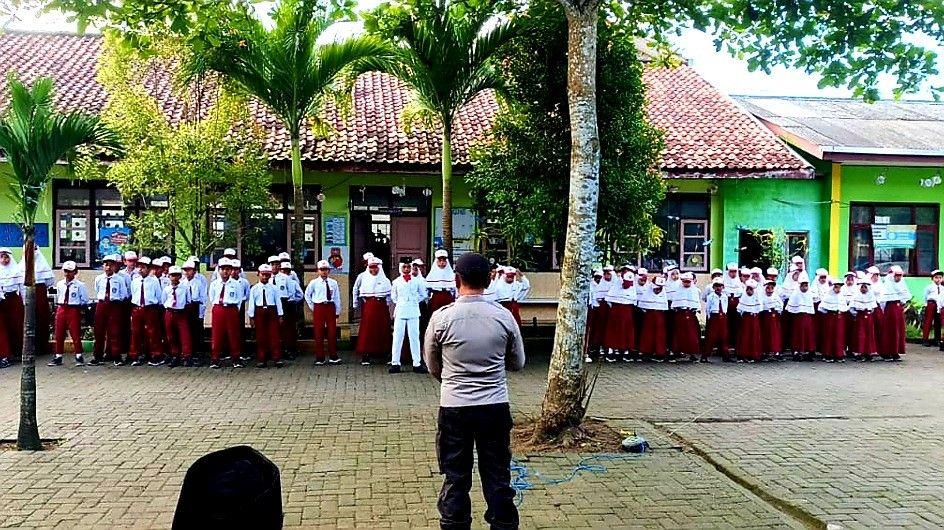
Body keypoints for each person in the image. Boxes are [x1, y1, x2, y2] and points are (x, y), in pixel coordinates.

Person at [423, 252, 524, 530]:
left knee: (456, 476)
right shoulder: (503, 317)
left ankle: (455, 524)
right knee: (497, 475)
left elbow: (432, 366)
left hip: (454, 407)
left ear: (457, 279)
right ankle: (503, 524)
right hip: (494, 406)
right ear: (489, 281)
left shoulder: (441, 318)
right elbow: (518, 363)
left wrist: (453, 379)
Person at [48, 261, 88, 366]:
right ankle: (58, 356)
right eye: (66, 271)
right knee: (59, 333)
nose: (67, 274)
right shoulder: (60, 284)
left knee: (75, 333)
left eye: (70, 271)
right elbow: (59, 296)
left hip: (73, 308)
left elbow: (84, 299)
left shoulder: (80, 285)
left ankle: (79, 355)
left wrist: (79, 308)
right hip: (62, 307)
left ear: (75, 272)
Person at [390, 261, 428, 374]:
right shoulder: (396, 282)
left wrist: (414, 301)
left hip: (413, 311)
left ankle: (417, 363)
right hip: (401, 311)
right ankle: (395, 363)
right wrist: (402, 302)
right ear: (401, 268)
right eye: (404, 267)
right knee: (397, 337)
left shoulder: (417, 281)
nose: (406, 269)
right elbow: (393, 297)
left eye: (408, 267)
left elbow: (423, 294)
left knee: (414, 338)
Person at [354, 257, 392, 366]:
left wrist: (388, 305)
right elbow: (359, 291)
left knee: (383, 328)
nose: (373, 270)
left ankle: (384, 352)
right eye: (371, 268)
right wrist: (356, 303)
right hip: (369, 306)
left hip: (382, 306)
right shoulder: (364, 278)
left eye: (375, 268)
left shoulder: (385, 280)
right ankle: (366, 354)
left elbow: (389, 296)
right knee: (368, 329)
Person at [129, 257, 166, 367]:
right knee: (136, 332)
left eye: (143, 267)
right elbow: (133, 294)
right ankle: (136, 354)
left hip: (150, 308)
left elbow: (159, 296)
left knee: (152, 332)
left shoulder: (154, 281)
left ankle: (156, 354)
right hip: (137, 308)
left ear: (149, 269)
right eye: (139, 267)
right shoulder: (135, 281)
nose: (140, 269)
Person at [91, 254, 127, 366]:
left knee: (114, 331)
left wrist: (115, 301)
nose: (108, 267)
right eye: (106, 265)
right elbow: (97, 291)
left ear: (115, 266)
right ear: (103, 266)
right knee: (99, 331)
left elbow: (123, 294)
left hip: (114, 305)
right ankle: (97, 356)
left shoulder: (119, 279)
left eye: (111, 265)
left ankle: (116, 356)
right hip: (102, 304)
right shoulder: (99, 279)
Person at [208, 258, 244, 369]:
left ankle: (236, 358)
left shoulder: (236, 284)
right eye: (223, 269)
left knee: (233, 334)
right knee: (217, 335)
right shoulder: (214, 284)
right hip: (219, 309)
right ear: (219, 270)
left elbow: (239, 299)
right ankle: (215, 359)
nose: (225, 272)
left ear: (231, 271)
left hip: (231, 309)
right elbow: (211, 297)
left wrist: (234, 309)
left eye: (228, 269)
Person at [304, 260, 342, 366]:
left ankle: (333, 356)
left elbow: (337, 297)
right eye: (322, 270)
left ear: (329, 271)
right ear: (318, 271)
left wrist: (337, 310)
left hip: (330, 306)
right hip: (319, 307)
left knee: (332, 332)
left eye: (326, 270)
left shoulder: (333, 282)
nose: (324, 272)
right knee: (319, 332)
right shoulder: (314, 283)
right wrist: (313, 307)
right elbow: (307, 295)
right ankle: (320, 357)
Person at [248, 264, 283, 368]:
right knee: (260, 336)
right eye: (263, 275)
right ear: (258, 274)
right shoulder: (254, 288)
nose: (265, 277)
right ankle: (262, 359)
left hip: (271, 311)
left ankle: (276, 358)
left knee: (274, 335)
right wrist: (251, 317)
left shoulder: (274, 288)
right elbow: (251, 303)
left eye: (267, 275)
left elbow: (278, 301)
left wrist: (280, 315)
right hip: (259, 312)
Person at [603, 271, 636, 363]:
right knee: (614, 330)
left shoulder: (632, 288)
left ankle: (625, 350)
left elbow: (633, 300)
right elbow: (609, 300)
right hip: (616, 311)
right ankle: (611, 350)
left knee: (626, 331)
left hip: (627, 312)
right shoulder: (616, 286)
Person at [163, 266, 193, 367]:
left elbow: (188, 300)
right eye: (172, 275)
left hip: (181, 313)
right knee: (171, 335)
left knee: (184, 335)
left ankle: (187, 356)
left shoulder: (184, 288)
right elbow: (163, 301)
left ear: (180, 276)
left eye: (176, 275)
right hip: (170, 312)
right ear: (169, 276)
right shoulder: (167, 289)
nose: (174, 278)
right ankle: (175, 355)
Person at [879, 265, 910, 361]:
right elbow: (882, 301)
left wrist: (902, 304)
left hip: (898, 309)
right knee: (889, 330)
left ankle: (895, 351)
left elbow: (905, 298)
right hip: (889, 310)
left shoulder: (902, 284)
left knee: (898, 330)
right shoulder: (886, 285)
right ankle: (887, 352)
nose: (898, 278)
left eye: (900, 276)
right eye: (896, 275)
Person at [274, 261, 303, 360]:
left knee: (286, 328)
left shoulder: (286, 278)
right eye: (272, 264)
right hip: (272, 304)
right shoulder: (267, 278)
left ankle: (287, 350)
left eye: (276, 264)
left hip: (285, 303)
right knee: (274, 329)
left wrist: (290, 302)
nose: (274, 266)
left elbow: (292, 293)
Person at [0, 248, 24, 368]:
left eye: (6, 257)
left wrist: (24, 302)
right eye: (2, 257)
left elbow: (22, 288)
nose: (4, 260)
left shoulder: (16, 271)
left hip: (14, 300)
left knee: (16, 326)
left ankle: (18, 352)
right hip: (2, 301)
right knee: (4, 328)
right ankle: (6, 354)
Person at [670, 272, 701, 362]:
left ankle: (692, 354)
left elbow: (697, 304)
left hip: (691, 314)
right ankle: (676, 352)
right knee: (678, 334)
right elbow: (674, 304)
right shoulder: (678, 290)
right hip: (680, 314)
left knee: (692, 335)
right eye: (685, 282)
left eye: (688, 282)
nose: (686, 283)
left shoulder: (695, 290)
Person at [182, 259, 208, 365]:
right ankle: (186, 353)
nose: (187, 272)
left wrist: (201, 313)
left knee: (195, 331)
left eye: (189, 270)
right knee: (185, 331)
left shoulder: (199, 283)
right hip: (184, 309)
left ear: (194, 271)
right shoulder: (182, 283)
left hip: (195, 308)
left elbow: (203, 298)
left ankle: (196, 353)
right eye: (185, 270)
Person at [637, 276, 669, 361]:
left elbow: (664, 305)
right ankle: (646, 352)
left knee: (660, 335)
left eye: (659, 289)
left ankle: (660, 352)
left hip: (659, 316)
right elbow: (643, 306)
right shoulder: (648, 292)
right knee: (647, 334)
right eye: (656, 288)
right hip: (649, 315)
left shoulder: (663, 293)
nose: (658, 290)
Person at [849, 278, 879, 361]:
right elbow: (851, 308)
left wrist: (868, 311)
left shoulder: (871, 296)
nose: (864, 289)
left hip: (869, 317)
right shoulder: (856, 296)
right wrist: (857, 314)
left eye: (865, 287)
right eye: (862, 287)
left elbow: (873, 307)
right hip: (860, 317)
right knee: (860, 334)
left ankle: (868, 352)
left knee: (869, 334)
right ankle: (859, 352)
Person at [818, 278, 847, 362]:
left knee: (839, 336)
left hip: (839, 318)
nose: (838, 289)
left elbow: (844, 307)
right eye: (837, 287)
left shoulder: (841, 296)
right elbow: (821, 308)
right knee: (829, 335)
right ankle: (828, 354)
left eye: (839, 288)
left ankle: (838, 354)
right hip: (830, 317)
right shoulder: (828, 296)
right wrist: (828, 312)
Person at [786, 279, 816, 361]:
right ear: (800, 286)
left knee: (808, 335)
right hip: (798, 318)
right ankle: (797, 352)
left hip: (808, 318)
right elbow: (790, 307)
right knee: (798, 335)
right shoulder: (795, 294)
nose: (805, 287)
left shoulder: (809, 294)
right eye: (803, 285)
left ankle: (808, 352)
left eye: (806, 285)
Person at [33, 247, 55, 357]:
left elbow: (50, 281)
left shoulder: (43, 265)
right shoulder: (21, 267)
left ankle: (41, 347)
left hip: (40, 293)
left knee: (41, 318)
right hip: (26, 295)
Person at [735, 279, 763, 362]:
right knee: (745, 336)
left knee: (754, 336)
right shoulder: (744, 298)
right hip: (746, 319)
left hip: (754, 319)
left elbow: (759, 309)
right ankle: (743, 354)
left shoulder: (757, 297)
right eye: (748, 289)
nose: (749, 291)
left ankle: (753, 354)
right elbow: (740, 310)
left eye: (751, 289)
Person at [703, 278, 729, 362]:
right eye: (716, 286)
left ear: (723, 287)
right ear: (713, 287)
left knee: (724, 336)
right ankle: (705, 356)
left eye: (720, 286)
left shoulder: (725, 296)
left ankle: (725, 356)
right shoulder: (710, 296)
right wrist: (709, 317)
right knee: (711, 337)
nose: (718, 288)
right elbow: (708, 308)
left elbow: (726, 306)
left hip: (723, 316)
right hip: (714, 316)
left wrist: (724, 314)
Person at [426, 250, 457, 314]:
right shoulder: (432, 275)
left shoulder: (451, 274)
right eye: (440, 260)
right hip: (436, 298)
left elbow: (455, 289)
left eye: (444, 260)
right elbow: (427, 289)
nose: (442, 263)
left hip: (448, 297)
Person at [760, 279, 784, 360]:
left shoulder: (776, 297)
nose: (770, 290)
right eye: (768, 288)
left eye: (772, 288)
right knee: (766, 334)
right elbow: (760, 307)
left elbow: (780, 306)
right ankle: (765, 352)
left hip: (774, 319)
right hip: (765, 318)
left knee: (775, 334)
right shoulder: (761, 297)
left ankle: (776, 351)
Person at [723, 263, 743, 343]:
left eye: (735, 271)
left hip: (736, 307)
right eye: (731, 271)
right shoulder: (724, 282)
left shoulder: (739, 283)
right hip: (726, 306)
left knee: (736, 325)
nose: (733, 273)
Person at [923, 270, 943, 347]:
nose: (938, 279)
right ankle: (925, 339)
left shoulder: (942, 288)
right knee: (928, 321)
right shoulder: (929, 287)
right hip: (931, 304)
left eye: (940, 278)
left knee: (938, 322)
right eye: (936, 277)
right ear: (932, 278)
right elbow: (925, 296)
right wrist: (926, 305)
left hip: (939, 305)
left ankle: (937, 339)